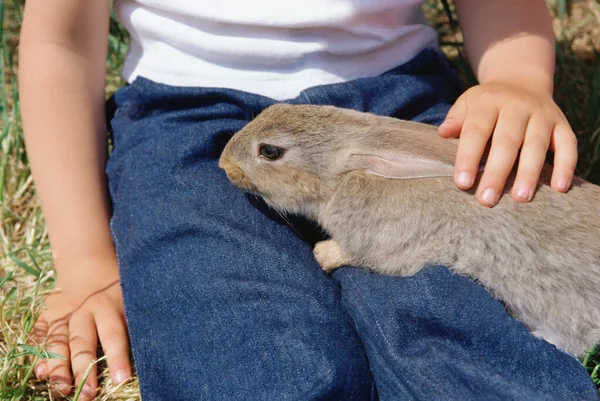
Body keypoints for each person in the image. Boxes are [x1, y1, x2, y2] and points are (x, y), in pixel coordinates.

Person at [19, 0, 598, 400]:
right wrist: (86, 262)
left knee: (452, 316)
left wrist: (516, 79)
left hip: (392, 106)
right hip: (188, 120)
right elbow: (60, 41)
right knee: (239, 343)